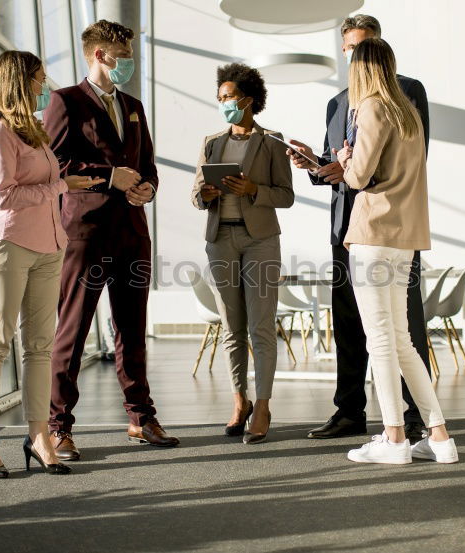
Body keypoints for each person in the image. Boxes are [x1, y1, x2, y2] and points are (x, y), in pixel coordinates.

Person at [285, 15, 433, 442]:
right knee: (349, 324)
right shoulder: (336, 103)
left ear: (379, 48)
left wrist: (350, 166)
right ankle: (349, 411)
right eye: (348, 48)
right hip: (346, 225)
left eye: (362, 47)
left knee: (403, 328)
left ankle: (414, 418)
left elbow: (411, 160)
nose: (355, 55)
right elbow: (340, 164)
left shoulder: (407, 92)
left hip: (389, 222)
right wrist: (316, 165)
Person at [42, 20, 179, 459]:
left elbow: (150, 167)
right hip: (87, 235)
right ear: (100, 55)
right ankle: (57, 425)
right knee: (73, 331)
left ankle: (141, 417)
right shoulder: (65, 102)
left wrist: (148, 189)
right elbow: (56, 168)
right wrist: (108, 178)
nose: (129, 63)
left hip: (133, 234)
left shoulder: (134, 105)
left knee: (132, 331)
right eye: (124, 55)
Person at [0, 51, 104, 477]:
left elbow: (46, 186)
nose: (45, 86)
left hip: (49, 247)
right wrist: (62, 185)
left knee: (40, 346)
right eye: (39, 79)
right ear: (19, 82)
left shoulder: (37, 132)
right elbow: (5, 196)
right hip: (9, 244)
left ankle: (39, 434)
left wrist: (64, 184)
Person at [336, 37, 457, 464]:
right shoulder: (409, 112)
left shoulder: (370, 107)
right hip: (405, 237)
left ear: (361, 69)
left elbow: (359, 176)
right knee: (402, 339)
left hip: (372, 234)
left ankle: (394, 438)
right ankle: (439, 437)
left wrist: (344, 159)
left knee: (381, 341)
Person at [191, 64, 294, 444]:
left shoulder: (272, 142)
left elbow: (286, 195)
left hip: (260, 241)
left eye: (229, 98)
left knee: (261, 327)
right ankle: (240, 401)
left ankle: (263, 405)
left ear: (249, 99)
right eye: (220, 99)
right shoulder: (211, 143)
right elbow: (195, 193)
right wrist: (206, 195)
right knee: (231, 329)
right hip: (220, 239)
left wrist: (253, 189)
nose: (223, 105)